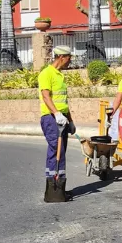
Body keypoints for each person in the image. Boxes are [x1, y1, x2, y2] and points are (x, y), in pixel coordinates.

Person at [38, 45, 74, 202]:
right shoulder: (46, 73)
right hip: (51, 118)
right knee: (56, 150)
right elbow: (46, 97)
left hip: (61, 118)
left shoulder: (60, 75)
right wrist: (57, 113)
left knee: (60, 151)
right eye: (69, 58)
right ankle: (54, 187)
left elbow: (64, 101)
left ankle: (57, 188)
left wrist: (70, 121)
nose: (70, 61)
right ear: (62, 57)